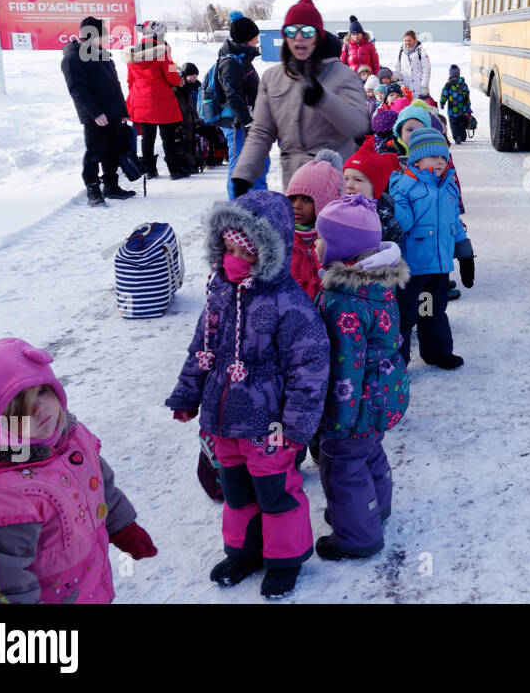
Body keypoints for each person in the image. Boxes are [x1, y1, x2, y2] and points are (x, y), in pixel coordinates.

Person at [166, 190, 330, 600]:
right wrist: (188, 395)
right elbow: (200, 349)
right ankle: (243, 552)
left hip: (270, 425)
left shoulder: (289, 304)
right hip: (224, 421)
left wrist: (297, 426)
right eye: (227, 245)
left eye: (244, 248)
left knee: (275, 493)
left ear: (267, 250)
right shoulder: (219, 292)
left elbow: (310, 368)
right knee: (237, 493)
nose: (232, 256)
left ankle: (284, 559)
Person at [0, 338, 156, 603]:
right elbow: (0, 592)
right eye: (17, 411)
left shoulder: (71, 440)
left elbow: (101, 486)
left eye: (42, 392)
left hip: (90, 587)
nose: (39, 409)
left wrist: (123, 526)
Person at [312, 194, 410, 559]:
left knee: (342, 467)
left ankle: (357, 535)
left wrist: (336, 420)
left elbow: (347, 367)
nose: (316, 243)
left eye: (322, 238)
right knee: (369, 452)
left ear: (341, 248)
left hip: (357, 401)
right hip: (385, 393)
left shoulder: (344, 302)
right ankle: (374, 509)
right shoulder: (375, 285)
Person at [232, 0, 371, 195]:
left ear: (318, 36)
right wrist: (243, 175)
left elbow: (358, 125)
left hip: (334, 184)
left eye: (307, 31)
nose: (299, 37)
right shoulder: (272, 78)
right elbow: (262, 131)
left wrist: (323, 99)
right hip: (295, 184)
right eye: (291, 31)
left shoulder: (342, 75)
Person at [388, 128, 472, 370]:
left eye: (443, 157)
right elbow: (403, 224)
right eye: (433, 156)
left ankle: (437, 353)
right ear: (416, 159)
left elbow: (455, 223)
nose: (439, 161)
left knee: (434, 312)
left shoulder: (448, 187)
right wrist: (397, 197)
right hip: (412, 267)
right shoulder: (405, 186)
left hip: (438, 265)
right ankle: (397, 361)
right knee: (405, 317)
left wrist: (465, 254)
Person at [61, 15, 134, 206]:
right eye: (104, 35)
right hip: (95, 116)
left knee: (112, 151)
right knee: (95, 152)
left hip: (113, 113)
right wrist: (95, 113)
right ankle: (93, 189)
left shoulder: (102, 55)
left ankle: (111, 186)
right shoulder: (74, 57)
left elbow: (114, 85)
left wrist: (122, 111)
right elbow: (77, 89)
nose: (107, 38)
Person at [126, 21, 189, 180]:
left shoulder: (133, 54)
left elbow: (130, 80)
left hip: (140, 100)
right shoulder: (163, 52)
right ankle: (174, 170)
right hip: (161, 101)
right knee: (167, 136)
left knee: (147, 137)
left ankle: (149, 170)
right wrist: (178, 80)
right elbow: (172, 77)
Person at [217, 15, 268, 200]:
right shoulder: (231, 62)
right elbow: (233, 95)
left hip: (247, 121)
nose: (258, 39)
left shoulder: (242, 59)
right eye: (255, 36)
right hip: (237, 124)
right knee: (240, 166)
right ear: (248, 38)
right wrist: (246, 123)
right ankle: (237, 207)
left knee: (256, 163)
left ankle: (257, 201)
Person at [285, 149, 343, 302]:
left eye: (306, 199)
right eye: (292, 198)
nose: (296, 205)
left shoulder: (335, 241)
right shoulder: (282, 239)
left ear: (326, 203)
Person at [343, 141, 402, 242]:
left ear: (375, 187)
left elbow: (392, 244)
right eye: (346, 179)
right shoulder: (338, 207)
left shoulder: (384, 213)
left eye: (358, 180)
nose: (349, 185)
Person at [175, 63, 203, 174]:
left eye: (196, 75)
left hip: (192, 118)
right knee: (184, 142)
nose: (194, 77)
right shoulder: (182, 90)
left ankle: (193, 164)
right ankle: (187, 164)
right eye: (191, 75)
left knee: (191, 141)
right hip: (183, 119)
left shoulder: (198, 86)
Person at [439, 64, 473, 145]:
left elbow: (444, 94)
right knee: (461, 122)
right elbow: (467, 95)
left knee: (454, 123)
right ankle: (463, 136)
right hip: (463, 109)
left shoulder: (448, 84)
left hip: (452, 109)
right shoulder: (463, 84)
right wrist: (468, 107)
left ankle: (456, 137)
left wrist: (442, 103)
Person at [395, 30, 431, 98]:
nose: (407, 43)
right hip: (405, 88)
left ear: (415, 40)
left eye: (409, 40)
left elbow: (426, 70)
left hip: (419, 88)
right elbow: (396, 69)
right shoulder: (401, 52)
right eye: (405, 40)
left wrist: (424, 86)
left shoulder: (421, 51)